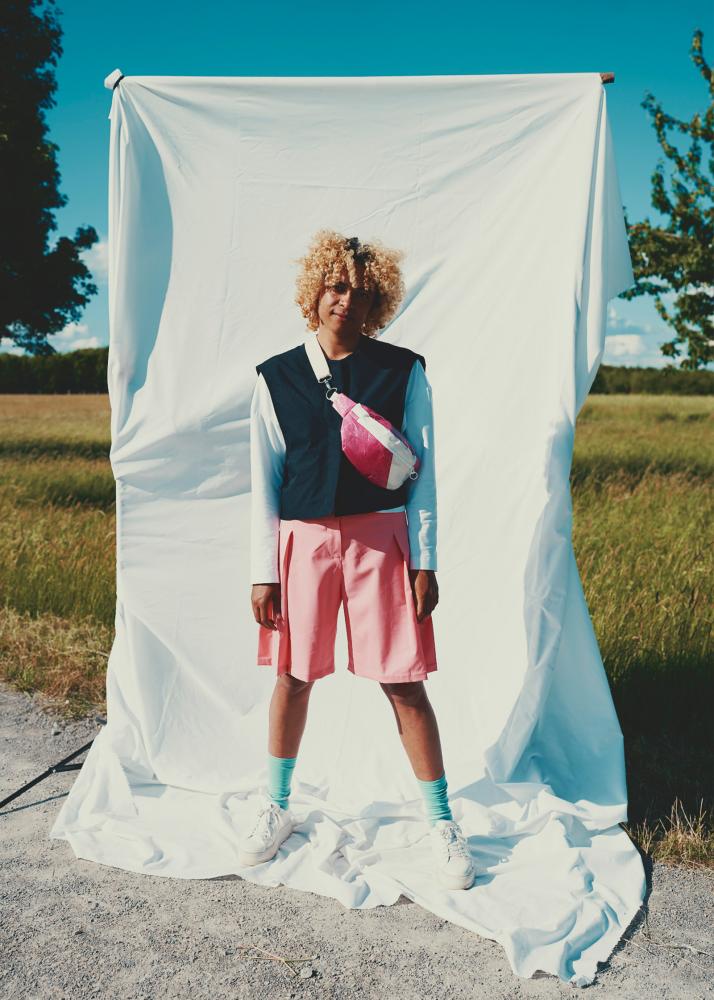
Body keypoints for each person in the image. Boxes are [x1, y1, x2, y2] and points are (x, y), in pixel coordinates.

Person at [240, 229, 475, 891]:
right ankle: (275, 807)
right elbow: (265, 476)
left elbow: (423, 473)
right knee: (292, 676)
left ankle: (442, 823)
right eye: (336, 285)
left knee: (404, 681)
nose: (345, 300)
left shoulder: (402, 371)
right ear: (314, 289)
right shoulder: (276, 376)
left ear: (375, 303)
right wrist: (264, 570)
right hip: (302, 542)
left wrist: (424, 560)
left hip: (383, 540)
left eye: (360, 292)